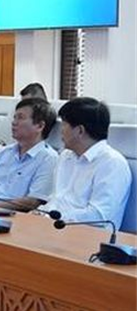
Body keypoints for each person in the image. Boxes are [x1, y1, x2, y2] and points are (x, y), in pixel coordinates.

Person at [42, 97, 132, 230]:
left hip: (87, 234)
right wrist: (41, 213)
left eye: (64, 124)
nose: (61, 130)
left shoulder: (112, 163)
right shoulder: (66, 156)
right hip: (55, 227)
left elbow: (99, 216)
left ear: (80, 130)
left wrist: (55, 218)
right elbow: (57, 199)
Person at [0, 98, 58, 211]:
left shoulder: (48, 158)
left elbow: (32, 202)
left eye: (20, 118)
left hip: (6, 214)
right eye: (14, 117)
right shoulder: (4, 152)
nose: (14, 122)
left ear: (39, 126)